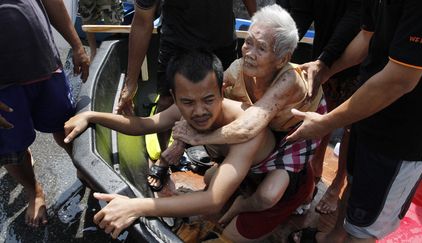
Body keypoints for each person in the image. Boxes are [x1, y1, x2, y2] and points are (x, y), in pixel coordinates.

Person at [64, 50, 312, 241]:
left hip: (282, 190)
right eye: (187, 102)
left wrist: (136, 206)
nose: (199, 111)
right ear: (175, 95)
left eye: (208, 100)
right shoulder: (184, 107)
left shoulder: (247, 129)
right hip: (246, 176)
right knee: (211, 179)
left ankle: (293, 216)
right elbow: (143, 125)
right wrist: (93, 116)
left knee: (228, 237)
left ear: (222, 90)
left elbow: (213, 200)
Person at [286, 0, 422, 242]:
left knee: (364, 230)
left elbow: (400, 80)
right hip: (366, 110)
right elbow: (366, 38)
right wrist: (325, 69)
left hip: (402, 135)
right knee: (354, 185)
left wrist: (327, 122)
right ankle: (333, 237)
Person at [170, 3, 326, 224]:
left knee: (267, 196)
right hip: (266, 128)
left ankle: (239, 206)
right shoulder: (237, 68)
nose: (250, 54)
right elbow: (198, 95)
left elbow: (249, 127)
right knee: (210, 176)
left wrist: (198, 139)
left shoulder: (289, 79)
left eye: (261, 48)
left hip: (295, 131)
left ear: (282, 59)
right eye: (248, 42)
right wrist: (178, 143)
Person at [115, 0, 257, 191]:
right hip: (177, 42)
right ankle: (165, 158)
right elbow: (142, 21)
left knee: (224, 102)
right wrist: (131, 82)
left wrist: (256, 22)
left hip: (221, 42)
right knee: (165, 100)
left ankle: (223, 160)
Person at [0, 0, 89, 227]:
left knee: (66, 125)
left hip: (45, 63)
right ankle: (34, 191)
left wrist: (77, 45)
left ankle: (85, 169)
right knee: (12, 149)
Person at [280, 0, 362, 214]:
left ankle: (337, 184)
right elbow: (302, 11)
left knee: (350, 127)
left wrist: (326, 60)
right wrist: (279, 46)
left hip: (357, 63)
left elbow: (356, 15)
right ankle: (316, 163)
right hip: (324, 55)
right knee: (323, 111)